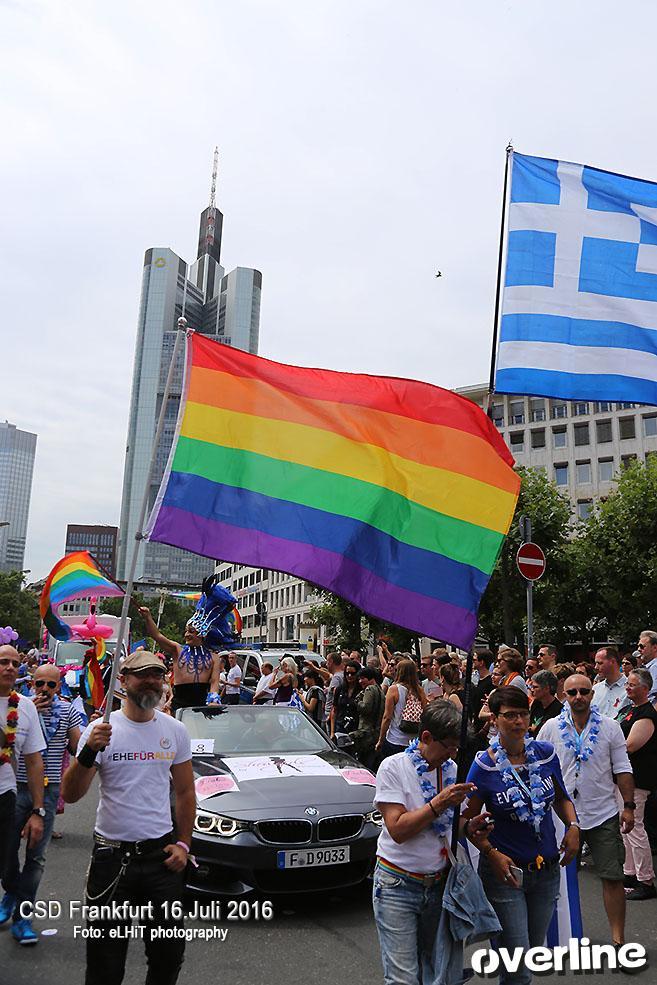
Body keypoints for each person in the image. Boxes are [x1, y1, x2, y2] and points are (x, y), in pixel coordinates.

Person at [61, 649, 195, 985]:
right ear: (123, 681)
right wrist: (89, 750)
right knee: (105, 962)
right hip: (111, 860)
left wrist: (183, 843)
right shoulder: (100, 730)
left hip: (162, 859)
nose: (151, 680)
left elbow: (184, 792)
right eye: (142, 674)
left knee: (168, 956)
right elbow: (71, 794)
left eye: (157, 674)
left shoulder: (175, 730)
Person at [464, 687, 579, 985]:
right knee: (518, 967)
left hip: (546, 870)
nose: (518, 721)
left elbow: (562, 797)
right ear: (494, 720)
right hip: (506, 874)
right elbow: (467, 822)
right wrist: (490, 851)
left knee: (527, 954)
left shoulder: (544, 754)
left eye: (523, 714)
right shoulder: (483, 766)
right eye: (510, 715)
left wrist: (573, 826)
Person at [373, 700, 492, 985]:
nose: (453, 754)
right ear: (426, 737)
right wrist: (439, 803)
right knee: (404, 978)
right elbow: (398, 830)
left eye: (456, 748)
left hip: (440, 884)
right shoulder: (393, 767)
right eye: (449, 746)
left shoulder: (449, 769)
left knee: (435, 972)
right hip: (396, 885)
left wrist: (470, 826)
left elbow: (448, 827)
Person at [540, 674, 634, 948]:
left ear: (592, 694)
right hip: (561, 815)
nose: (578, 697)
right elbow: (539, 766)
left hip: (601, 812)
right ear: (564, 696)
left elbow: (623, 768)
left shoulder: (610, 727)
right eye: (572, 693)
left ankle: (618, 938)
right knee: (554, 879)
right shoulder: (550, 728)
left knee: (612, 876)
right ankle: (557, 937)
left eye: (583, 691)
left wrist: (628, 807)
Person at [0, 662, 82, 944]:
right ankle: (11, 890)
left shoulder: (69, 710)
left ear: (59, 686)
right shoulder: (21, 707)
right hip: (14, 787)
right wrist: (31, 713)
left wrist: (91, 737)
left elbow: (77, 746)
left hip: (46, 791)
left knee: (36, 857)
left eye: (51, 685)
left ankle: (23, 917)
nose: (45, 689)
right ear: (32, 683)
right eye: (40, 684)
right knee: (7, 851)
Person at [138, 575, 238, 713]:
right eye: (186, 631)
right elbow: (157, 635)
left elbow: (214, 682)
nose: (186, 635)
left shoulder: (214, 657)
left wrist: (214, 699)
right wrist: (148, 617)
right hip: (178, 707)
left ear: (202, 633)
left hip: (200, 708)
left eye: (191, 631)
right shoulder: (177, 650)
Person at [0, 642, 46, 937]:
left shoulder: (26, 706)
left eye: (15, 663)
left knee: (5, 859)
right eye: (3, 662)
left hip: (5, 796)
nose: (9, 668)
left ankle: (16, 901)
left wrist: (38, 810)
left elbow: (33, 761)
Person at [618, 669, 657, 900]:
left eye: (632, 685)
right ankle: (630, 872)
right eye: (627, 684)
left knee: (636, 827)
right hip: (623, 777)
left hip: (638, 778)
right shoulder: (627, 710)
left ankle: (646, 879)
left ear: (645, 688)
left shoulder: (646, 714)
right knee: (625, 828)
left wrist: (607, 749)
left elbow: (630, 746)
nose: (628, 688)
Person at [375, 659, 428, 760]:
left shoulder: (394, 689)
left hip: (395, 738)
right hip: (413, 741)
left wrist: (380, 740)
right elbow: (425, 712)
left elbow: (387, 717)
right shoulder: (419, 690)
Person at [351, 667, 384, 767]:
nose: (360, 681)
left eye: (363, 678)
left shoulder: (369, 689)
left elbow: (366, 708)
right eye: (359, 679)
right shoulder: (380, 689)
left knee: (365, 761)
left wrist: (358, 701)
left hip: (367, 731)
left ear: (371, 678)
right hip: (376, 730)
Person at [592, 645, 630, 719]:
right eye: (595, 663)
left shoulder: (630, 688)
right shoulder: (595, 689)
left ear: (612, 662)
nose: (596, 667)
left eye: (600, 663)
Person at [330, 660, 361, 737]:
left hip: (355, 729)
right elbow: (334, 710)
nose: (349, 676)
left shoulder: (361, 691)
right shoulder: (340, 689)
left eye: (353, 673)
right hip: (340, 727)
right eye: (347, 673)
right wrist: (332, 732)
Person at [527, 670, 562, 736]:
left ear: (546, 688)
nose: (532, 690)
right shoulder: (536, 703)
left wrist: (535, 729)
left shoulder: (558, 710)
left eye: (535, 687)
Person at [470, 650, 494, 721]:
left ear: (481, 662)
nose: (472, 662)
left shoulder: (490, 683)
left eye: (474, 660)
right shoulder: (478, 680)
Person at [322, 652, 344, 726]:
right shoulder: (341, 675)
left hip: (330, 715)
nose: (326, 665)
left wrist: (330, 715)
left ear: (331, 662)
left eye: (327, 662)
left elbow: (335, 696)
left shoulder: (336, 678)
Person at [637, 630, 657, 701]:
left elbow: (652, 696)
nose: (639, 649)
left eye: (642, 646)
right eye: (638, 646)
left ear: (655, 648)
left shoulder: (655, 667)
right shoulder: (645, 667)